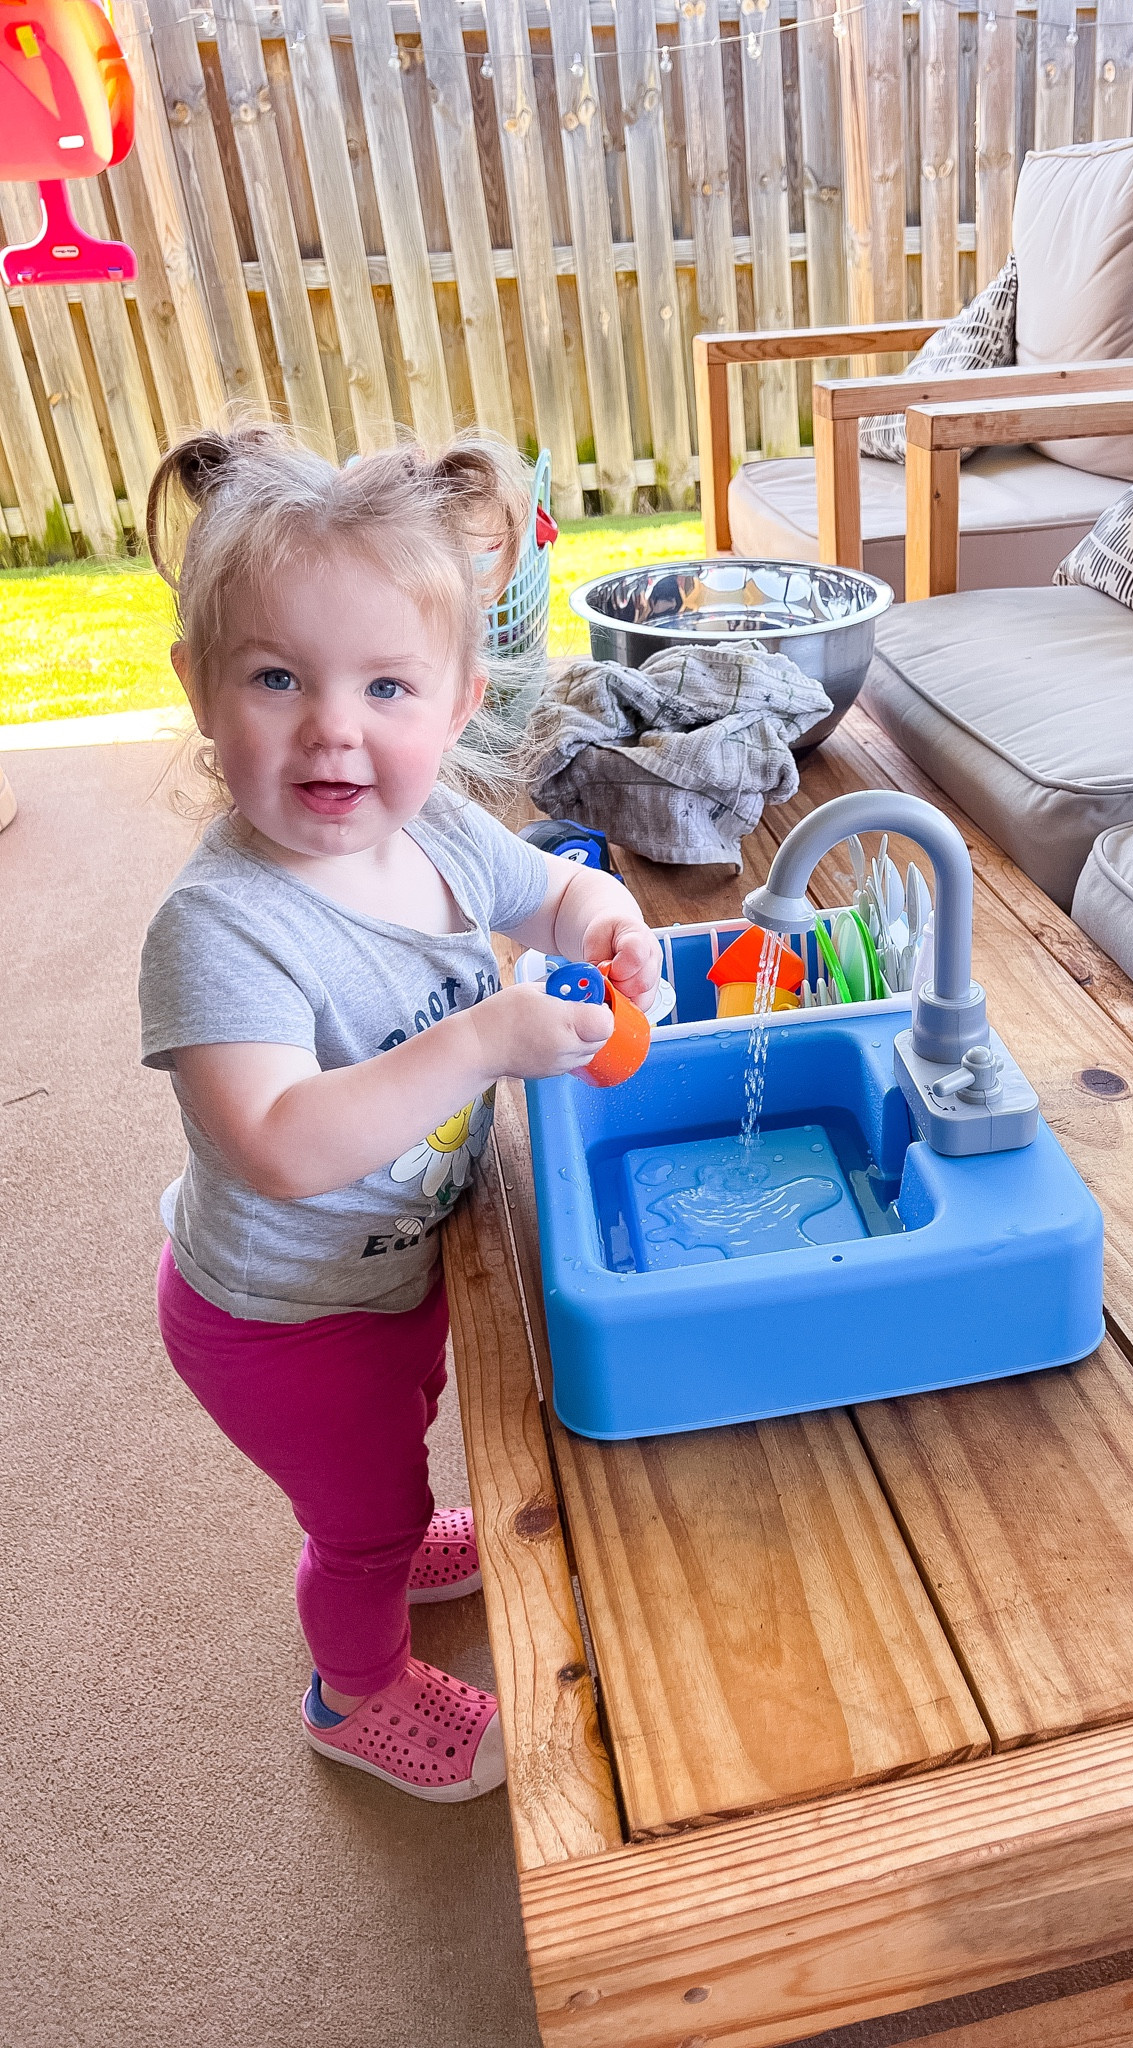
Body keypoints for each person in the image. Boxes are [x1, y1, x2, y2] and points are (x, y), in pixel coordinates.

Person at [138, 424, 660, 1802]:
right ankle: (353, 1692)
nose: (334, 727)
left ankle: (395, 1520)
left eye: (386, 686)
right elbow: (283, 1142)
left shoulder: (432, 832)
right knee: (356, 1522)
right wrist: (484, 1038)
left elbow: (554, 891)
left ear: (457, 702)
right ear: (199, 687)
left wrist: (609, 923)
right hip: (279, 1315)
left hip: (390, 1264)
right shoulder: (219, 929)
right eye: (276, 677)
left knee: (409, 1416)